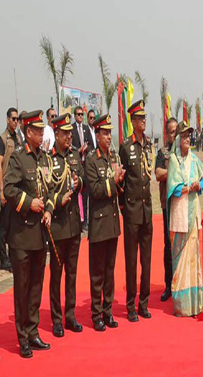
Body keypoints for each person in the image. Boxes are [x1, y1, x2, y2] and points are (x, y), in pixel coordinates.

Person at [3, 110, 54, 358]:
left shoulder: (44, 158)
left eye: (43, 129)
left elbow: (52, 188)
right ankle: (22, 336)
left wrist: (49, 210)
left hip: (39, 234)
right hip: (22, 234)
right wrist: (30, 202)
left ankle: (33, 332)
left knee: (36, 286)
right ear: (28, 132)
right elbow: (9, 189)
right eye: (38, 130)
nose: (42, 133)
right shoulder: (18, 158)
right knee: (22, 287)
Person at [85, 114, 124, 331]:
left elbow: (116, 189)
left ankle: (108, 311)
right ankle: (96, 313)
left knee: (110, 270)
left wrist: (121, 181)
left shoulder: (113, 157)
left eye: (110, 133)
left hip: (112, 222)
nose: (109, 137)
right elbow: (97, 191)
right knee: (97, 271)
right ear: (97, 134)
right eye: (105, 133)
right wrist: (114, 180)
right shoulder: (92, 159)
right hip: (99, 223)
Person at [47, 113, 85, 337]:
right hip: (58, 225)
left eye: (71, 133)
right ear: (57, 134)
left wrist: (79, 183)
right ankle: (56, 319)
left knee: (72, 273)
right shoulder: (49, 159)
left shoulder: (74, 157)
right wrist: (58, 201)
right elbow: (47, 188)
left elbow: (81, 181)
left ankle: (70, 315)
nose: (70, 137)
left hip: (74, 224)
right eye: (66, 133)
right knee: (56, 274)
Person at [118, 100, 153, 321]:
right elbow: (121, 182)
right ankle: (130, 305)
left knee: (146, 260)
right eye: (140, 118)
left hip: (147, 210)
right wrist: (123, 207)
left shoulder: (148, 145)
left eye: (144, 117)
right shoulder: (125, 147)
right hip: (131, 210)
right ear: (132, 121)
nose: (143, 121)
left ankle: (144, 303)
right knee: (131, 260)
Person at [167, 121, 203, 316]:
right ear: (178, 140)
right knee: (179, 255)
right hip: (180, 211)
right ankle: (182, 304)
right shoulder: (173, 160)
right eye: (184, 137)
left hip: (193, 210)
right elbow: (172, 188)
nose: (188, 139)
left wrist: (199, 186)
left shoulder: (195, 160)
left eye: (189, 136)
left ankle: (195, 303)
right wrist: (186, 188)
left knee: (194, 256)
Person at [155, 118, 178, 302]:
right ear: (166, 134)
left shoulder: (184, 150)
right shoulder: (163, 152)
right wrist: (174, 171)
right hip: (167, 204)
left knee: (181, 243)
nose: (174, 135)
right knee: (168, 245)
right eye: (171, 131)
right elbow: (158, 174)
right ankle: (168, 285)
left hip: (182, 202)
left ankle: (181, 283)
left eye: (177, 131)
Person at [0, 108, 20, 271]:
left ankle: (12, 257)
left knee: (13, 225)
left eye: (17, 119)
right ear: (7, 120)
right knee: (4, 226)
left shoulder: (18, 138)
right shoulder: (2, 139)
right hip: (7, 187)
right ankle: (3, 259)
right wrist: (2, 190)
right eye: (13, 119)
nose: (15, 122)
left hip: (16, 187)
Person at [71, 106, 93, 232]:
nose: (80, 116)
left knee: (85, 194)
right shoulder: (72, 129)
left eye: (81, 114)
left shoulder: (86, 129)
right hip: (76, 165)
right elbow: (71, 146)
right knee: (76, 194)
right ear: (75, 116)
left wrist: (87, 150)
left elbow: (90, 144)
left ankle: (84, 220)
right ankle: (78, 221)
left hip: (85, 165)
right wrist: (79, 150)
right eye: (78, 114)